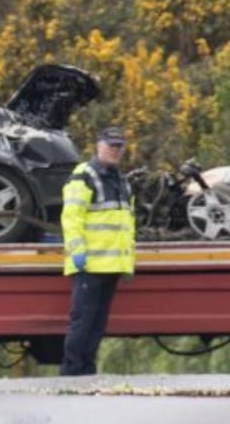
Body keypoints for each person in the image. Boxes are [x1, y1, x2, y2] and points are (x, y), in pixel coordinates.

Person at [59, 126, 136, 376]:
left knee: (97, 324)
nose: (115, 150)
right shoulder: (84, 176)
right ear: (98, 146)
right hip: (89, 265)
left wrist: (127, 262)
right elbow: (71, 218)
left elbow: (126, 224)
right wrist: (77, 252)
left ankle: (87, 370)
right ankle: (72, 371)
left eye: (119, 146)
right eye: (111, 145)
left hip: (111, 265)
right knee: (82, 321)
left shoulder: (121, 180)